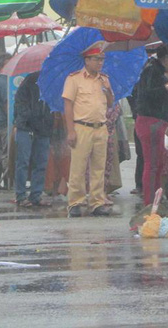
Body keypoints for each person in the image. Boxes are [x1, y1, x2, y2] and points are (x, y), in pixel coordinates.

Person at [62, 41, 114, 218]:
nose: (100, 63)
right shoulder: (74, 79)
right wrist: (70, 130)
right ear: (87, 60)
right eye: (96, 59)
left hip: (100, 126)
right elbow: (68, 105)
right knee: (78, 166)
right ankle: (75, 202)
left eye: (102, 59)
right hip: (81, 126)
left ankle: (96, 202)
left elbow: (110, 103)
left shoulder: (104, 79)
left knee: (98, 167)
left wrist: (108, 91)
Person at [135, 45, 168, 205]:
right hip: (149, 121)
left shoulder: (160, 72)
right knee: (152, 164)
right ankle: (149, 201)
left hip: (160, 120)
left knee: (158, 164)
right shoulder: (151, 70)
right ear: (166, 59)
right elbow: (148, 94)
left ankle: (156, 199)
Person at [14, 71, 54, 207]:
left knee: (41, 163)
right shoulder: (29, 81)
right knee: (23, 162)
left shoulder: (54, 83)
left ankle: (36, 194)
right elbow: (20, 104)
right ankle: (20, 195)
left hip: (44, 129)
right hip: (26, 128)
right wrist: (30, 118)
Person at [0, 52, 12, 189]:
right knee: (6, 152)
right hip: (5, 123)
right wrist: (13, 120)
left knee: (2, 151)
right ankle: (8, 181)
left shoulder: (0, 80)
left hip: (0, 122)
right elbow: (7, 105)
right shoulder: (4, 81)